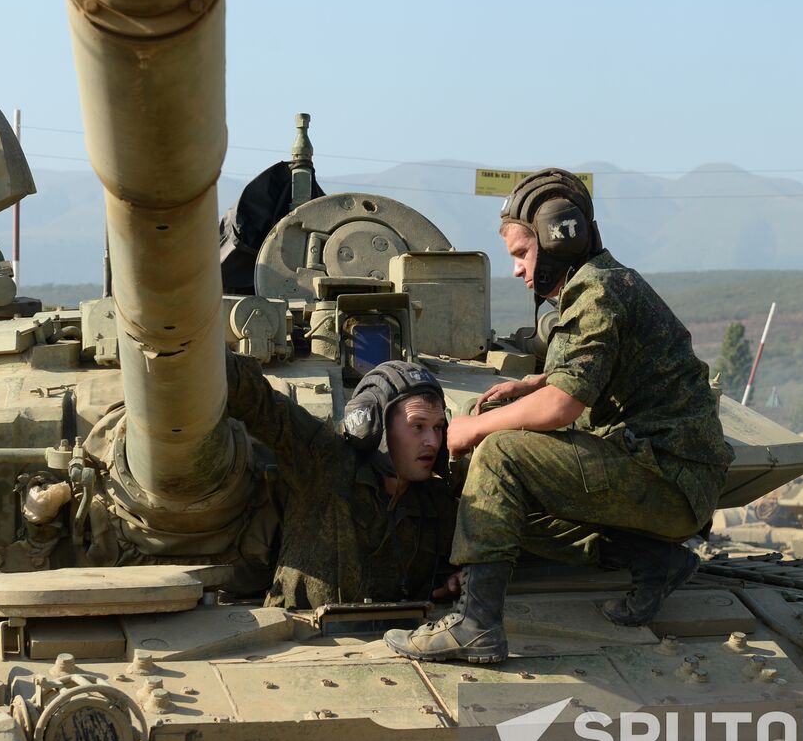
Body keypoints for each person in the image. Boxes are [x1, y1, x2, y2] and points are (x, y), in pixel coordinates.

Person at [385, 169, 734, 663]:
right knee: (498, 507)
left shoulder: (597, 293)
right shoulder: (599, 285)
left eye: (522, 254)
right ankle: (654, 560)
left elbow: (563, 407)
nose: (518, 270)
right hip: (661, 475)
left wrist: (470, 430)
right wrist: (537, 382)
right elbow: (597, 373)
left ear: (558, 240)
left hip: (671, 475)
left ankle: (477, 623)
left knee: (500, 453)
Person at [225, 352, 458, 609]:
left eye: (438, 428)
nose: (433, 442)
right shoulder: (323, 462)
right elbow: (257, 399)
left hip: (391, 642)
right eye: (418, 426)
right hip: (301, 638)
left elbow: (454, 568)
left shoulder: (437, 505)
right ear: (373, 425)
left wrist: (456, 579)